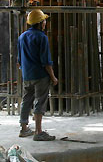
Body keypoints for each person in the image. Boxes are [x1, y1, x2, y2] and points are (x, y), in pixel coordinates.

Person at [17, 9, 58, 141]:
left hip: (27, 75)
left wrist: (25, 71)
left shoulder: (22, 37)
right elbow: (46, 62)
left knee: (26, 100)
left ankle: (24, 129)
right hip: (40, 76)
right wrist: (53, 77)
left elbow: (19, 60)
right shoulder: (42, 37)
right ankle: (38, 132)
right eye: (44, 20)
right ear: (40, 23)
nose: (45, 23)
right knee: (40, 102)